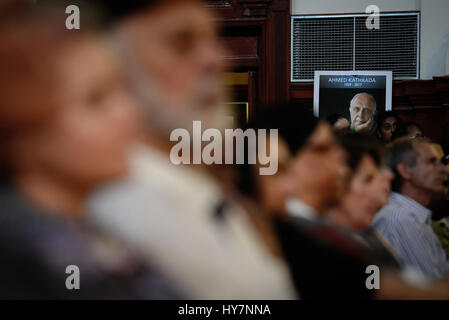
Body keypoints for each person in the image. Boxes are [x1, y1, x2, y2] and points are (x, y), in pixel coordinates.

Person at [87, 0, 296, 299]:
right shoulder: (127, 216)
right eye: (180, 44)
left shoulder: (217, 202)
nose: (215, 59)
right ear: (115, 70)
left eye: (213, 40)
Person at [0, 2, 179, 299]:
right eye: (96, 100)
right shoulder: (26, 263)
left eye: (121, 89)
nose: (130, 112)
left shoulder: (89, 233)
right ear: (23, 133)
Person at [373, 137, 449, 280]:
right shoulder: (400, 219)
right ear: (406, 170)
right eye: (431, 162)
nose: (443, 169)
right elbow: (431, 289)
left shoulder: (416, 215)